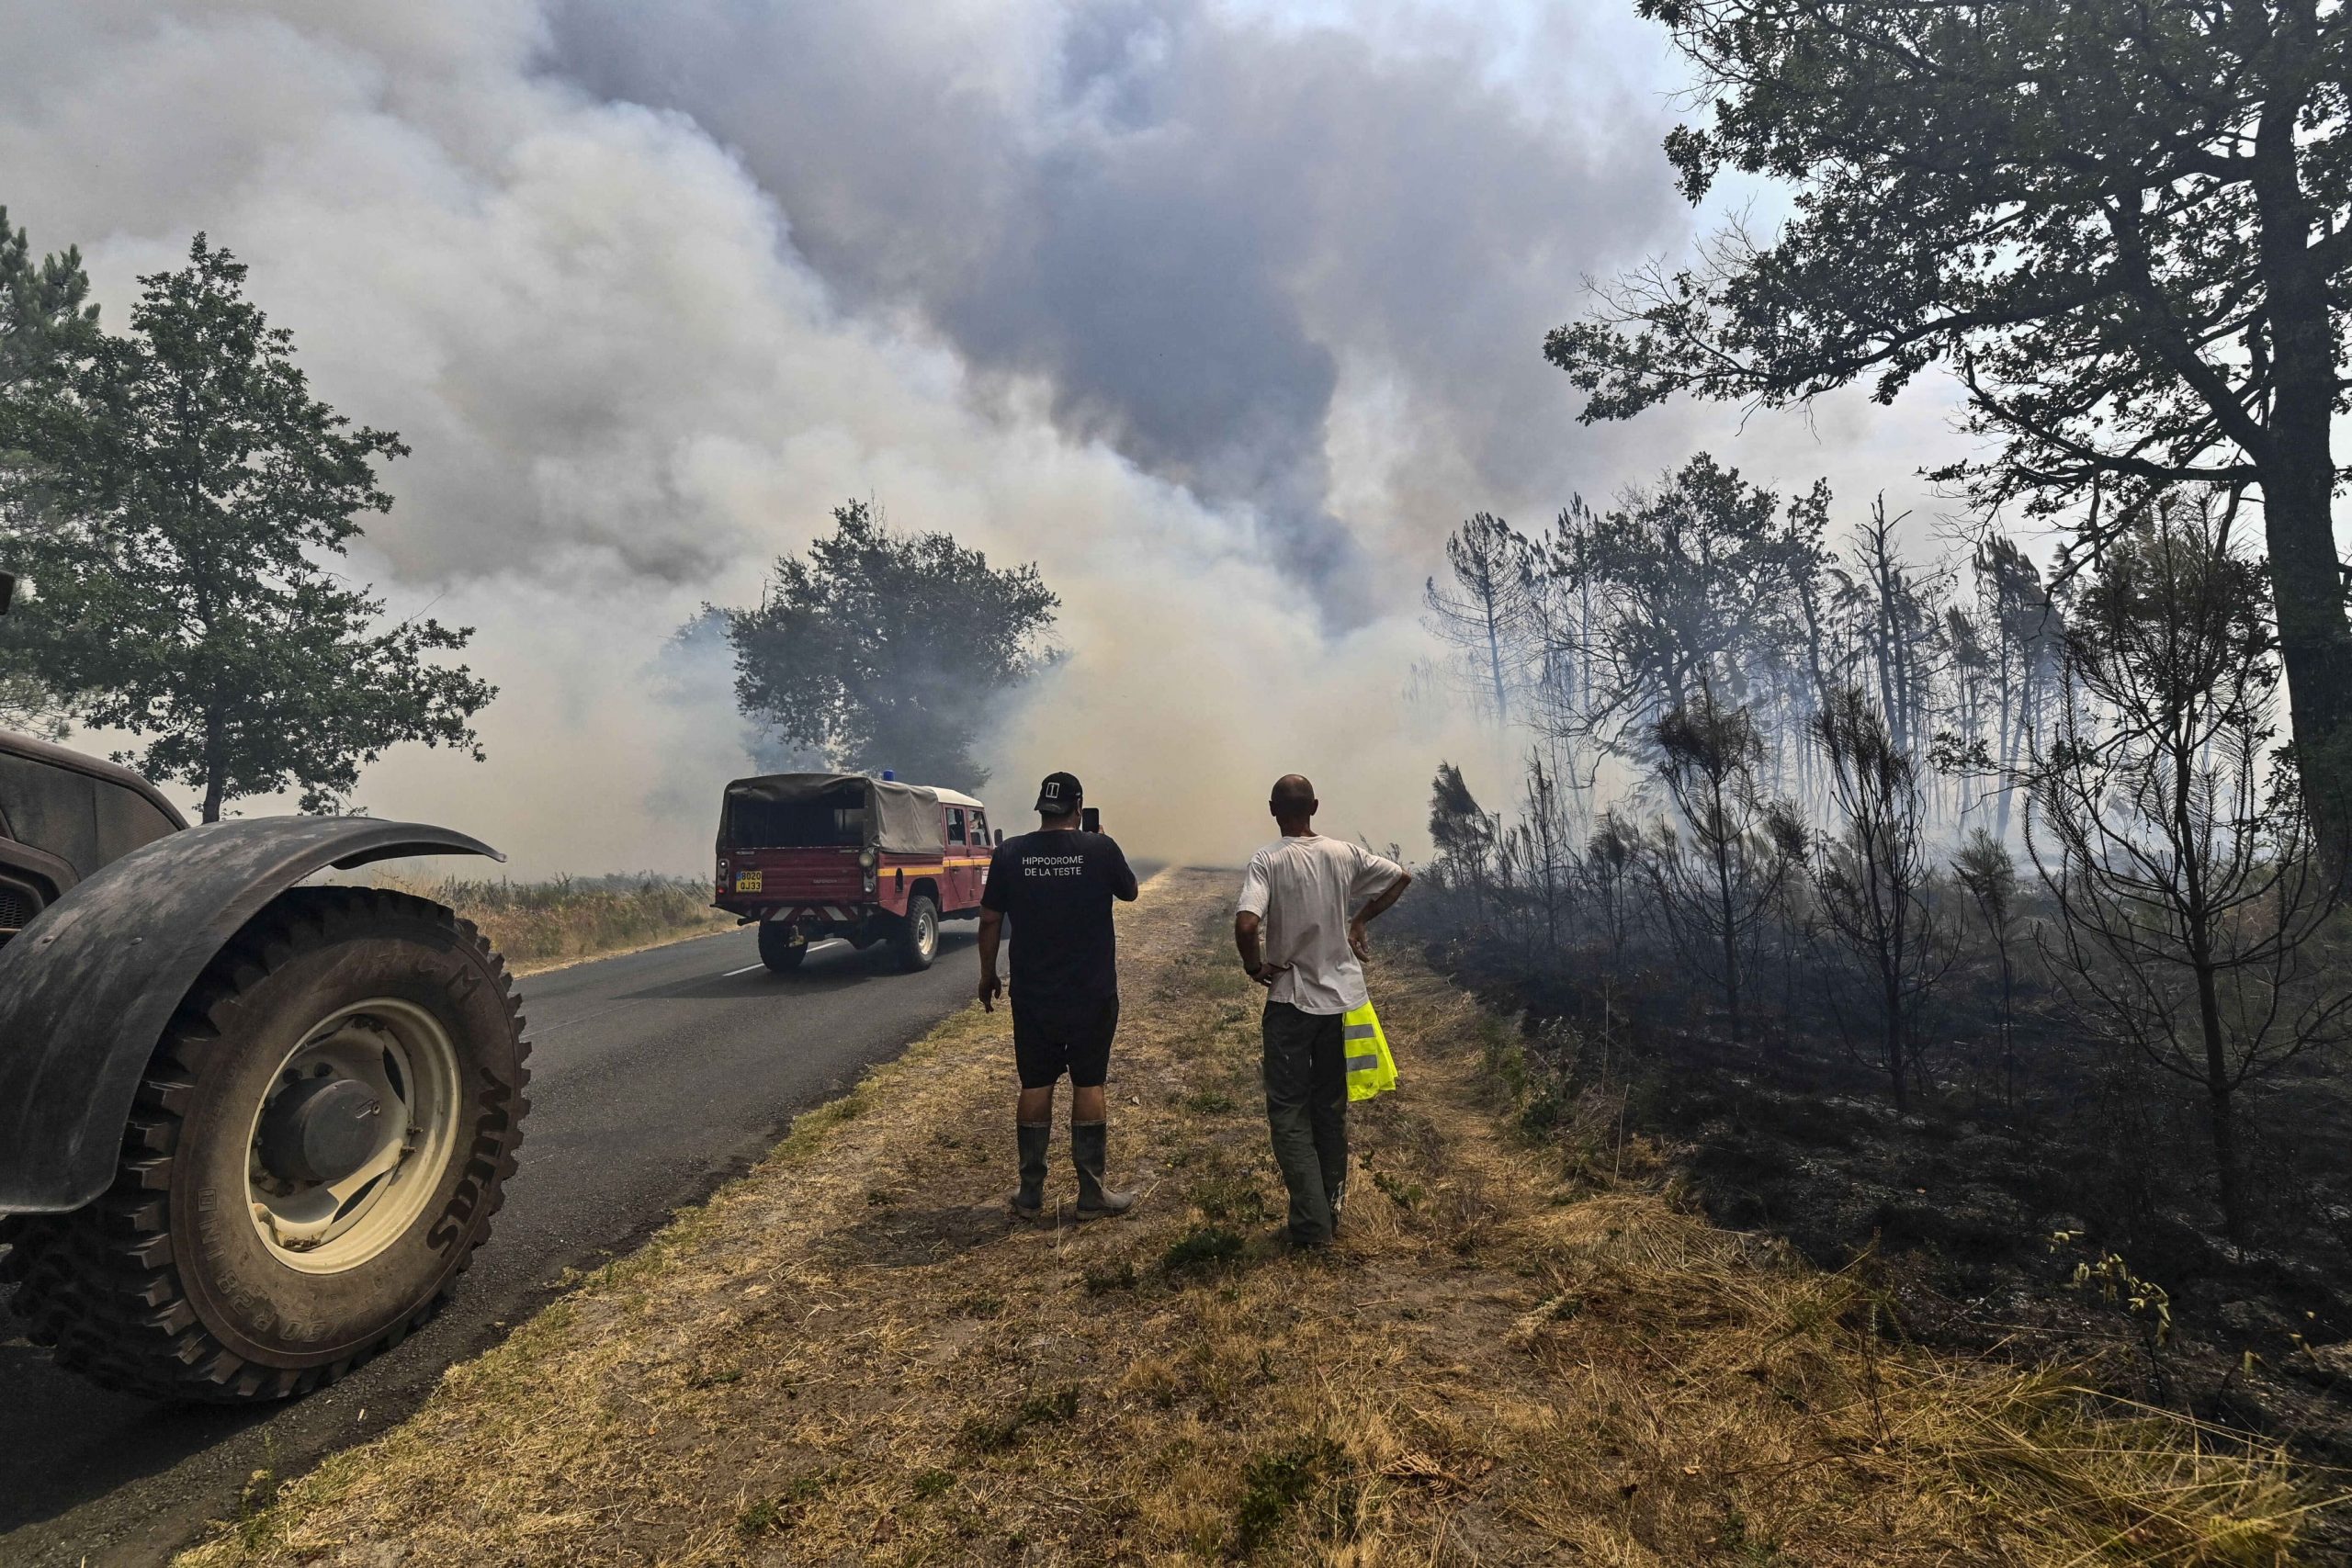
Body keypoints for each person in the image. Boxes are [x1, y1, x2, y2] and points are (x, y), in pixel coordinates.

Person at [1234, 774, 1411, 1248]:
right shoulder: (1344, 854)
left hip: (1291, 1001)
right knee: (1330, 1108)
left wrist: (1255, 967)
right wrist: (1358, 920)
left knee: (1289, 1112)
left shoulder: (1268, 860)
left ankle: (1311, 1227)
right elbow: (1400, 877)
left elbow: (1248, 923)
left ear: (1273, 809)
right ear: (1315, 805)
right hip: (1341, 1004)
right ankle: (1330, 1212)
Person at [978, 771, 1141, 1221]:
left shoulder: (1010, 853)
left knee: (1035, 1083)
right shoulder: (1099, 849)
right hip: (1091, 992)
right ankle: (1091, 1194)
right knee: (1089, 1082)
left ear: (1041, 808)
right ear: (1078, 805)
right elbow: (1130, 892)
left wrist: (988, 973)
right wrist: (1101, 843)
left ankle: (1030, 1193)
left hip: (1033, 994)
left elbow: (990, 919)